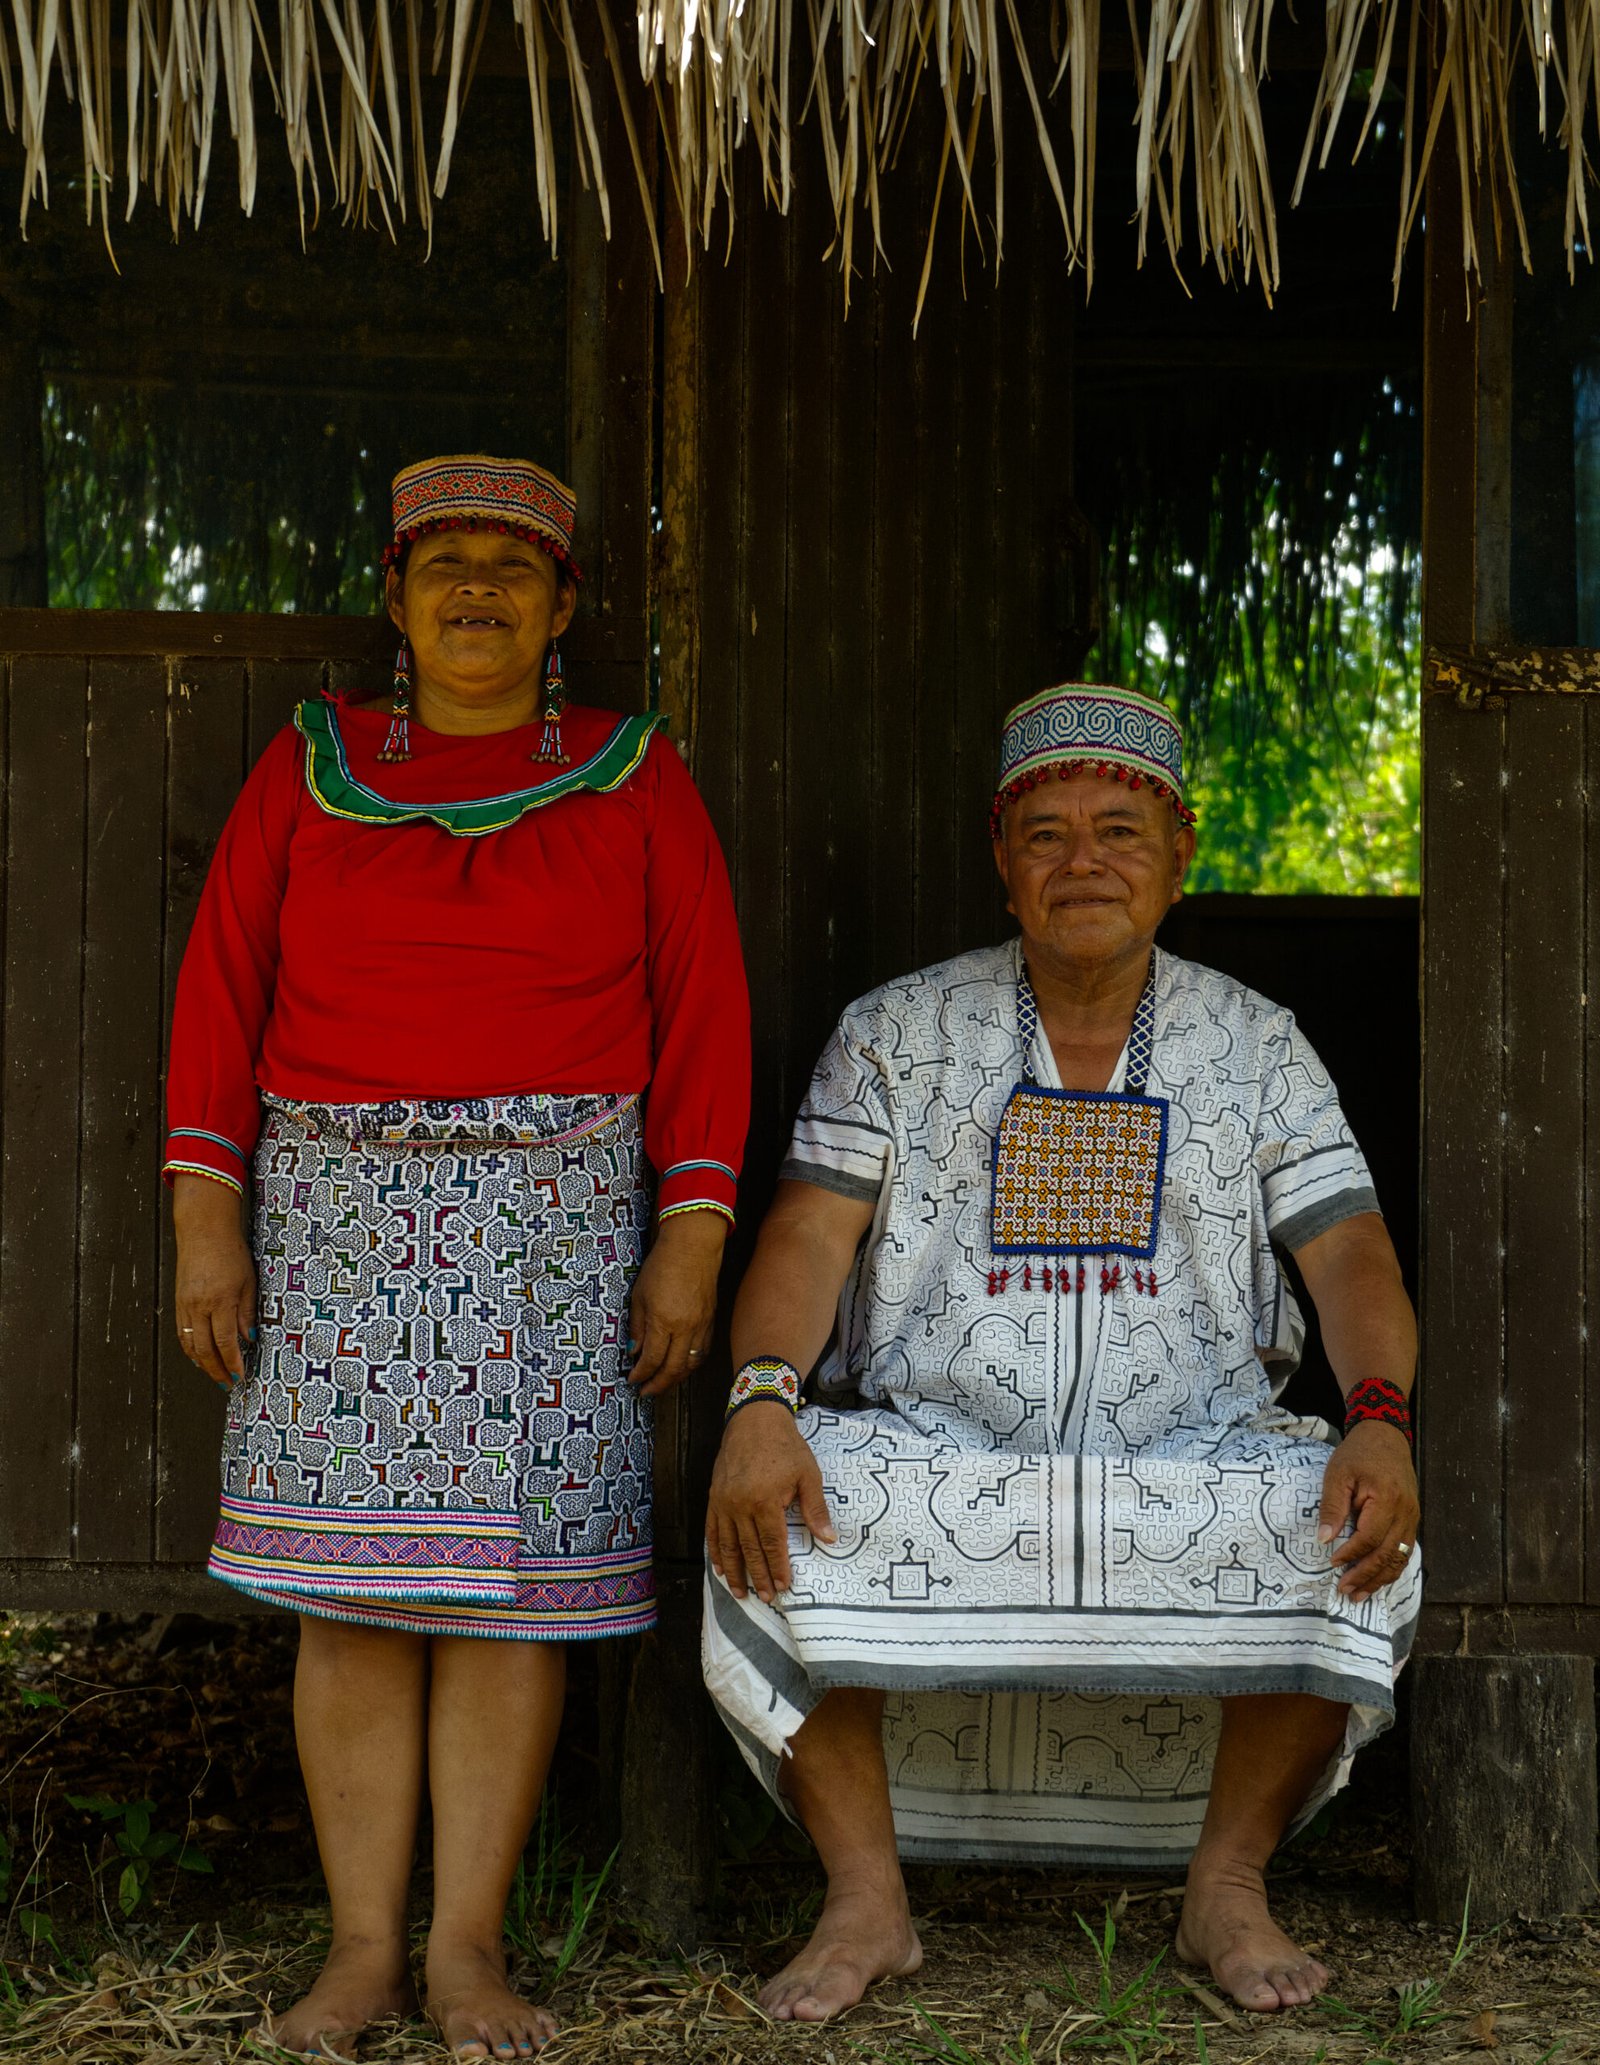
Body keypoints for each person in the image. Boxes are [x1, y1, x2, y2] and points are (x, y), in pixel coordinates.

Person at [703, 681, 1420, 2022]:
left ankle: (1226, 1884)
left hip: (1196, 1448)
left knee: (1335, 1513)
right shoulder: (895, 1031)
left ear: (1181, 856)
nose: (1083, 861)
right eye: (1047, 834)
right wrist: (760, 1400)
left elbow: (1351, 1257)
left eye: (1120, 832)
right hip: (938, 1442)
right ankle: (865, 1898)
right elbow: (805, 1237)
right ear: (1001, 857)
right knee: (791, 1494)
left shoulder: (1258, 1041)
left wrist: (1380, 1411)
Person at [165, 455, 750, 2059]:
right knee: (349, 1589)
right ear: (398, 595)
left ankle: (467, 1950)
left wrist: (691, 1233)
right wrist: (206, 1214)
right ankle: (361, 1950)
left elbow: (704, 1005)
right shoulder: (311, 765)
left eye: (512, 564)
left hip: (558, 1223)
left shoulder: (636, 774)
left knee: (514, 1596)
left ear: (562, 609)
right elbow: (220, 987)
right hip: (334, 1219)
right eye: (445, 560)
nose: (477, 585)